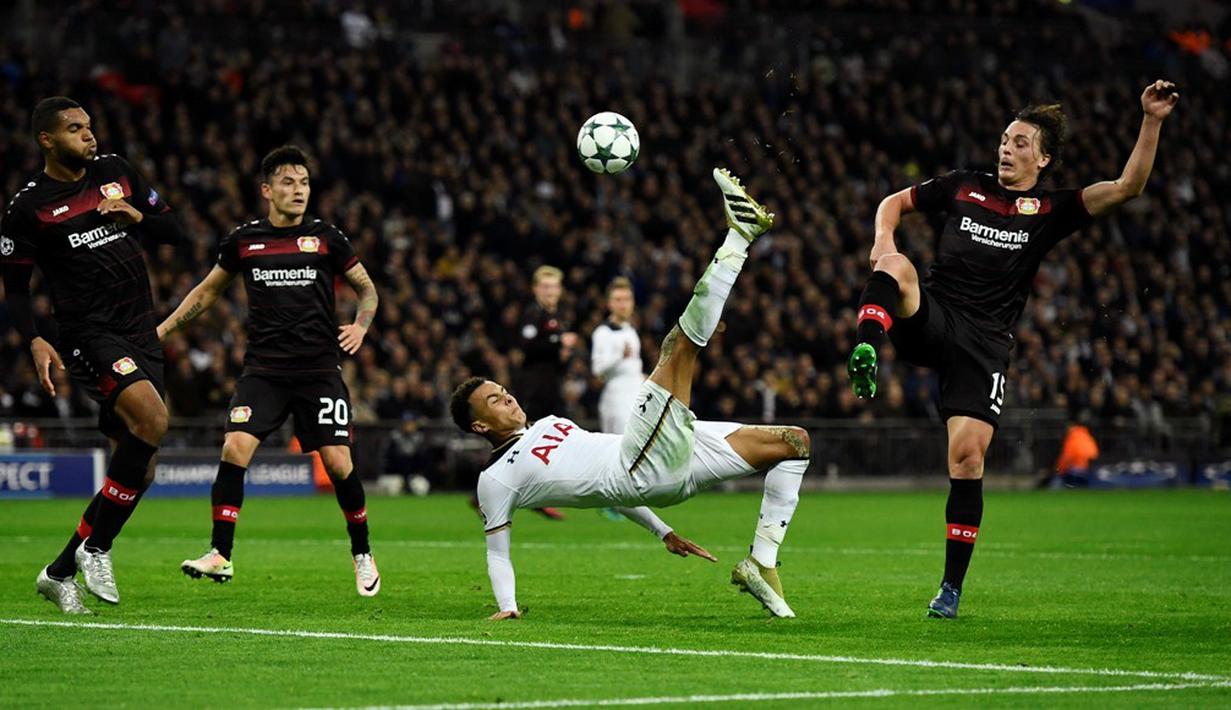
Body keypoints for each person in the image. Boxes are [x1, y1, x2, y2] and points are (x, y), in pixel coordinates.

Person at [846, 81, 1179, 618]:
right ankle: (866, 349)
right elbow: (892, 203)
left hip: (984, 345)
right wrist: (883, 239)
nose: (1007, 147)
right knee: (898, 267)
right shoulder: (962, 187)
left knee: (968, 458)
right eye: (1005, 138)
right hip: (935, 316)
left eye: (1021, 142)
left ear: (1043, 158)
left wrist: (1152, 121)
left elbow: (1127, 186)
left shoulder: (1050, 209)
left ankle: (950, 590)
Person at [451, 169, 810, 619]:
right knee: (679, 346)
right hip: (640, 466)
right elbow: (498, 551)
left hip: (655, 465)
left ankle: (762, 563)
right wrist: (508, 606)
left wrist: (663, 532)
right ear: (479, 425)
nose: (507, 398)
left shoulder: (546, 424)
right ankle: (739, 237)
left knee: (794, 443)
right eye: (494, 401)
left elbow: (607, 494)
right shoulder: (495, 479)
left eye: (502, 391)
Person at [157, 146, 382, 597]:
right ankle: (220, 554)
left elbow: (367, 289)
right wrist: (159, 331)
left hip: (318, 371)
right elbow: (206, 292)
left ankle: (362, 553)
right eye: (288, 182)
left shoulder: (326, 238)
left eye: (304, 183)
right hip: (263, 371)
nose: (298, 191)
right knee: (234, 448)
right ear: (267, 190)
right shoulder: (244, 241)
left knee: (339, 463)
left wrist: (360, 326)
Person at [1, 97, 186, 613]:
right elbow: (15, 287)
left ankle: (59, 571)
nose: (90, 136)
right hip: (88, 334)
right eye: (76, 129)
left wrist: (136, 218)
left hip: (140, 333)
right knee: (153, 420)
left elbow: (176, 232)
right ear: (47, 140)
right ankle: (97, 548)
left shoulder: (115, 172)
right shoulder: (28, 206)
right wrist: (34, 338)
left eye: (90, 127)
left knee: (138, 471)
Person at [590, 276, 644, 434]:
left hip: (636, 395)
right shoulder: (603, 332)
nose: (623, 304)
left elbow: (633, 364)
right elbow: (597, 368)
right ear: (609, 303)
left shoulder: (631, 330)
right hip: (616, 399)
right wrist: (619, 355)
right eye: (618, 299)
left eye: (627, 299)